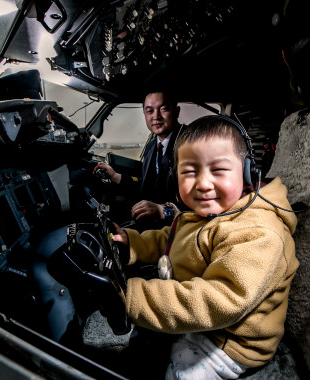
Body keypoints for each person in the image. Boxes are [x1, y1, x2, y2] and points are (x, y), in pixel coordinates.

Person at [111, 116, 299, 379]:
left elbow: (220, 300)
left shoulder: (258, 232)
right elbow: (173, 237)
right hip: (200, 317)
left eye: (218, 170)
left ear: (247, 174)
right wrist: (132, 243)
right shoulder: (210, 212)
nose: (202, 183)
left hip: (230, 340)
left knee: (182, 370)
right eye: (189, 172)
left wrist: (131, 297)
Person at [94, 90, 181, 227]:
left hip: (177, 227)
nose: (156, 116)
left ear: (176, 111)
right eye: (149, 111)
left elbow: (202, 199)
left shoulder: (190, 143)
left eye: (163, 109)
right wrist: (116, 176)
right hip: (152, 222)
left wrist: (163, 210)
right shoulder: (152, 146)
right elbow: (148, 185)